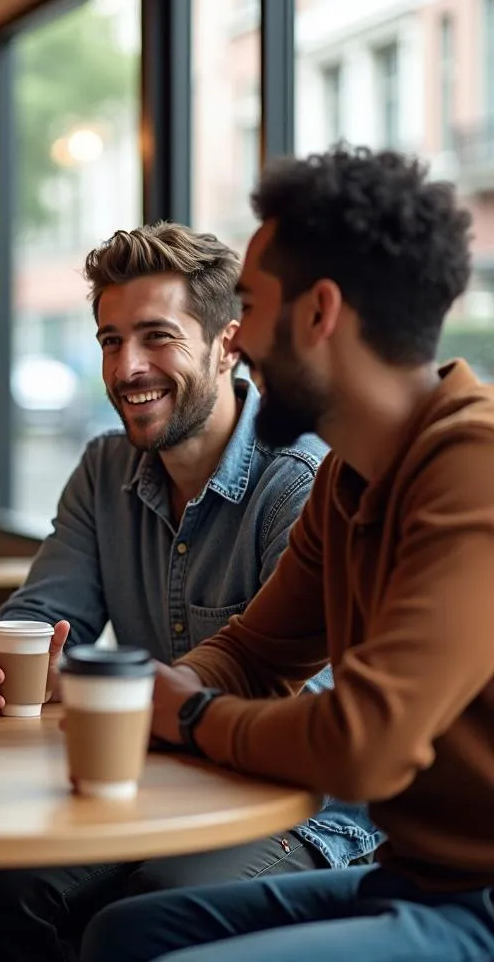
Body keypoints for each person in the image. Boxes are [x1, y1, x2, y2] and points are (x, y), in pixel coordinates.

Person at [80, 146, 494, 962]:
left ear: (319, 313)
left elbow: (365, 742)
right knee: (125, 933)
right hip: (416, 878)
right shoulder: (351, 473)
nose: (241, 340)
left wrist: (189, 717)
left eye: (252, 306)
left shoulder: (472, 469)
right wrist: (172, 686)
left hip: (478, 900)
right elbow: (255, 650)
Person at [0, 222, 380, 962]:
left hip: (306, 810)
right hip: (155, 782)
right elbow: (39, 618)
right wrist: (0, 664)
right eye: (109, 340)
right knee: (1, 881)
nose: (127, 367)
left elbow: (305, 706)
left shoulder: (299, 480)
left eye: (157, 337)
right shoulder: (103, 472)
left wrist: (136, 702)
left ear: (229, 342)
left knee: (147, 910)